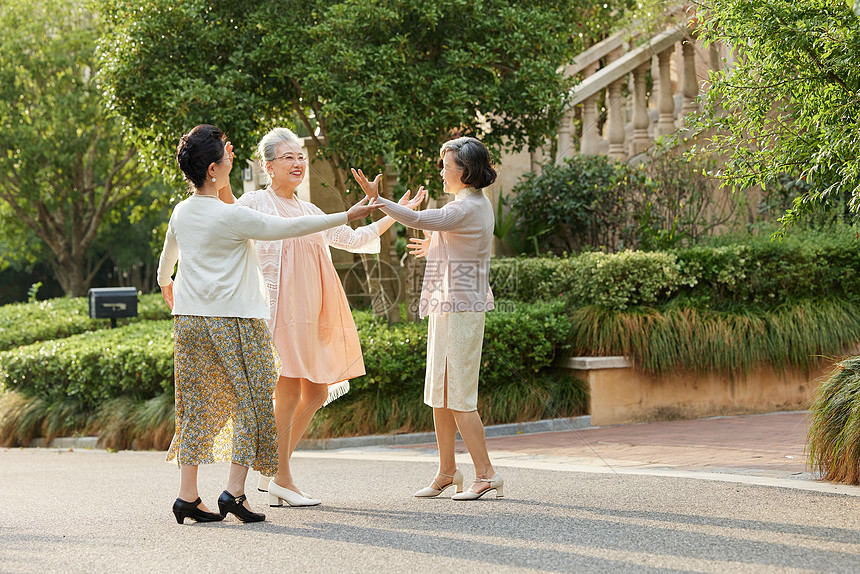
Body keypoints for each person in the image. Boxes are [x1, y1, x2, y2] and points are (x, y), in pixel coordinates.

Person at [157, 124, 378, 524]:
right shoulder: (236, 214)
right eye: (225, 157)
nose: (230, 161)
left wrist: (164, 282)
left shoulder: (181, 211)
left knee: (195, 407)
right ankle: (235, 493)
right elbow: (288, 229)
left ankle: (187, 497)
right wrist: (347, 212)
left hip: (188, 320)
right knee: (254, 405)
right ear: (213, 170)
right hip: (236, 320)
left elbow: (166, 259)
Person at [236, 127, 423, 507]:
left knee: (317, 390)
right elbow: (227, 238)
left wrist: (393, 211)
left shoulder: (310, 210)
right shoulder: (254, 202)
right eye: (288, 157)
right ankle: (282, 478)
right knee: (287, 389)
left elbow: (354, 240)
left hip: (313, 310)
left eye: (301, 157)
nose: (298, 163)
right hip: (277, 311)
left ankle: (274, 471)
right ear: (268, 166)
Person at [351, 136, 503, 500]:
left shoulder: (465, 208)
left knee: (460, 396)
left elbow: (418, 218)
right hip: (447, 307)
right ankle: (447, 472)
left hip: (461, 311)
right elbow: (457, 239)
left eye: (446, 166)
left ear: (465, 172)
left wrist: (377, 199)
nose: (441, 172)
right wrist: (437, 245)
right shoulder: (467, 206)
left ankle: (486, 474)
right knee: (439, 393)